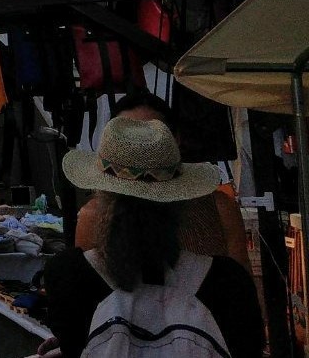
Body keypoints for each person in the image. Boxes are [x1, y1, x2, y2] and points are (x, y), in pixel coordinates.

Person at [43, 117, 262, 358]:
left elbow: (74, 342)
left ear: (102, 195)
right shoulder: (228, 282)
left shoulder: (67, 277)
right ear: (180, 201)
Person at [74, 91, 250, 270]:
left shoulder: (219, 209)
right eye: (128, 137)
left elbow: (242, 287)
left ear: (176, 139)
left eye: (150, 135)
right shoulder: (93, 216)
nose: (139, 145)